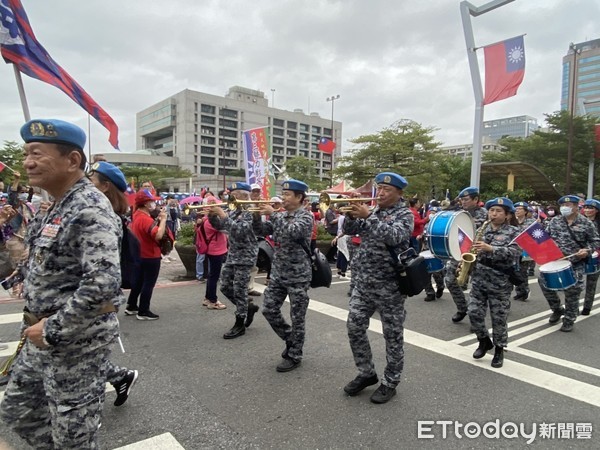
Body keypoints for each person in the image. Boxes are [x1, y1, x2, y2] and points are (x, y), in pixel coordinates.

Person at [0, 119, 124, 448]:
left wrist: (53, 328)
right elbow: (38, 260)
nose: (27, 162)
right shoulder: (54, 206)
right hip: (39, 336)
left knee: (73, 435)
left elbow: (104, 282)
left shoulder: (89, 208)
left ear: (72, 160)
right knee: (18, 410)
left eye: (37, 153)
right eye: (26, 153)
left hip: (74, 344)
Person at [342, 172, 413, 404]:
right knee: (354, 326)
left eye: (387, 190)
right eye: (379, 188)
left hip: (390, 285)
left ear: (399, 193)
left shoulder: (405, 214)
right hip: (364, 283)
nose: (380, 193)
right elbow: (353, 230)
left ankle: (391, 381)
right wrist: (351, 211)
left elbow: (395, 236)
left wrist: (368, 216)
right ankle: (366, 372)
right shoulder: (375, 211)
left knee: (392, 335)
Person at [88, 161, 139, 406]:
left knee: (87, 363)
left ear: (105, 186)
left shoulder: (106, 219)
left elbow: (101, 279)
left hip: (92, 308)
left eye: (92, 180)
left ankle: (91, 408)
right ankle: (121, 377)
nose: (87, 184)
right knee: (86, 361)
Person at [255, 179, 314, 372]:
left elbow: (293, 232)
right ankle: (291, 339)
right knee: (268, 309)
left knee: (297, 317)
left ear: (299, 198)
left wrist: (273, 214)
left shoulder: (306, 217)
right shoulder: (280, 216)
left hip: (298, 274)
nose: (283, 197)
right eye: (283, 193)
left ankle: (295, 354)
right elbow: (261, 231)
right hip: (279, 272)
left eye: (288, 194)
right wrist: (257, 215)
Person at [468, 198, 520, 368]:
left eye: (498, 211)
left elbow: (513, 253)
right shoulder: (481, 230)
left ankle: (499, 349)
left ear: (507, 215)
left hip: (500, 282)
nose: (494, 214)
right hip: (479, 279)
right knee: (474, 312)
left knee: (498, 318)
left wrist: (491, 249)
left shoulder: (514, 232)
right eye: (491, 210)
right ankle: (483, 340)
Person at [540, 195, 600, 332]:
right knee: (544, 284)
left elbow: (595, 241)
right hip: (556, 261)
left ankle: (569, 318)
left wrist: (587, 250)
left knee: (573, 290)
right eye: (563, 205)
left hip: (575, 262)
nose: (565, 208)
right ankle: (557, 309)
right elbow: (545, 238)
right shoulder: (555, 221)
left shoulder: (586, 223)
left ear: (576, 206)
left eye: (569, 205)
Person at [210, 182, 262, 337]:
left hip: (246, 255)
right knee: (225, 286)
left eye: (234, 194)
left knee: (239, 289)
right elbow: (221, 227)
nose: (230, 196)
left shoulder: (250, 211)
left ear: (244, 195)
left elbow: (240, 231)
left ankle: (240, 323)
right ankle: (247, 306)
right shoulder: (233, 210)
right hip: (233, 254)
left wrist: (223, 215)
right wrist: (212, 216)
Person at [445, 187, 488, 323]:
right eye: (461, 199)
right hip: (461, 253)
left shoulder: (486, 214)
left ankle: (476, 319)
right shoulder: (458, 214)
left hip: (479, 255)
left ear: (476, 200)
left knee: (478, 288)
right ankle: (462, 308)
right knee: (450, 280)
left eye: (466, 199)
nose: (463, 202)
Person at [126, 189, 168, 320]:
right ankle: (143, 311)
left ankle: (131, 306)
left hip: (139, 254)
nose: (153, 204)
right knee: (148, 284)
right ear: (145, 204)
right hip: (150, 255)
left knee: (138, 282)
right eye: (151, 201)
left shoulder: (136, 215)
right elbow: (158, 235)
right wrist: (163, 220)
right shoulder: (145, 219)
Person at [197, 198, 228, 311]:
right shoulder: (211, 221)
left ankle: (207, 298)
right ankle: (213, 301)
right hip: (215, 250)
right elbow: (225, 228)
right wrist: (223, 215)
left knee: (211, 275)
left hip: (214, 249)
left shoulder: (207, 219)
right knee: (214, 276)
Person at [513, 201, 536, 301]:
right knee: (515, 272)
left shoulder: (531, 222)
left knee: (523, 272)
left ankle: (524, 291)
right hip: (514, 250)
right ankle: (519, 291)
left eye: (519, 209)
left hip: (525, 251)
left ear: (526, 211)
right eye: (516, 209)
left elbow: (536, 236)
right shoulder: (512, 222)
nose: (517, 210)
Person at [581, 198, 600, 315]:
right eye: (586, 207)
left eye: (590, 208)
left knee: (591, 283)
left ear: (597, 210)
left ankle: (587, 307)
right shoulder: (580, 222)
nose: (587, 210)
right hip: (581, 254)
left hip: (596, 256)